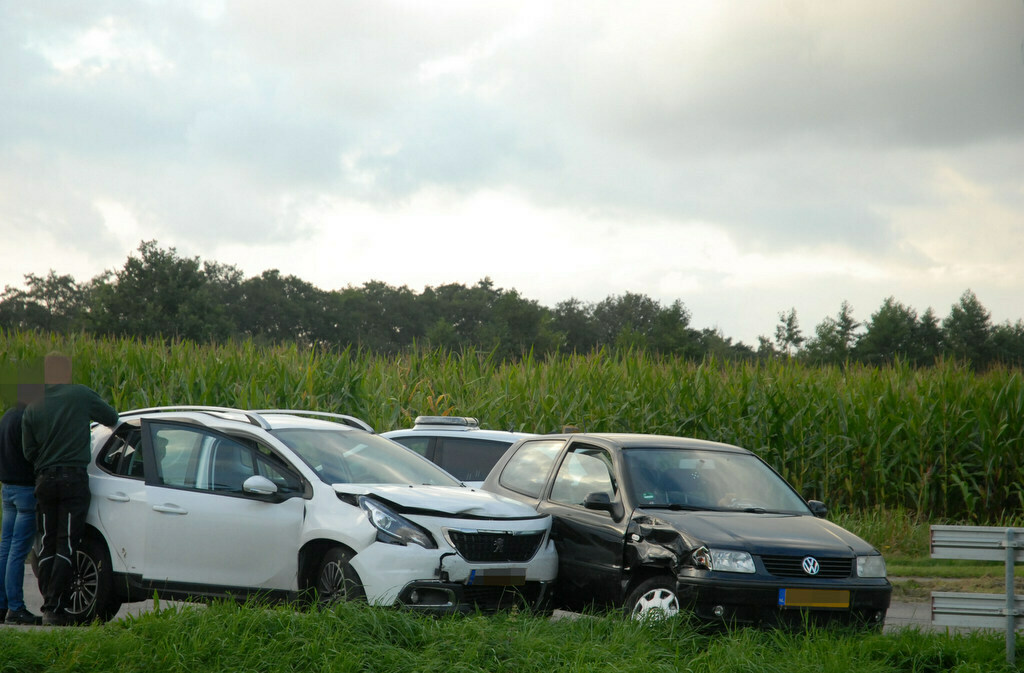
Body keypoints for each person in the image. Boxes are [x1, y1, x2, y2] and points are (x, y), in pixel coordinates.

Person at [21, 354, 118, 626]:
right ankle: (55, 607)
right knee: (67, 542)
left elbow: (29, 451)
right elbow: (111, 418)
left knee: (48, 541)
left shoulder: (33, 405)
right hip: (73, 479)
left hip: (44, 481)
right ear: (67, 372)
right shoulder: (80, 396)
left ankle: (49, 603)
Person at [0, 388, 41, 625]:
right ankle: (16, 608)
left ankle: (2, 604)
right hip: (26, 490)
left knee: (6, 548)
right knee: (18, 551)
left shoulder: (6, 417)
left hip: (7, 489)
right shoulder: (27, 419)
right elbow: (31, 453)